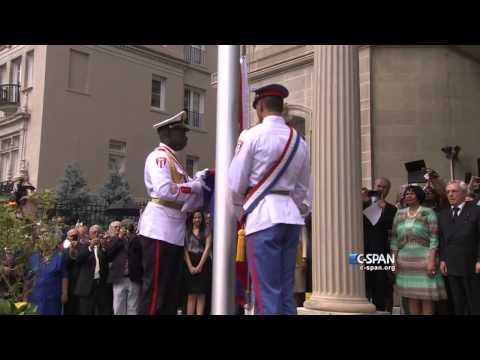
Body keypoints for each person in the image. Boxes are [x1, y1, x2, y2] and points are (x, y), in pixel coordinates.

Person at [228, 84, 310, 315]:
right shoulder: (299, 141)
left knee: (266, 294)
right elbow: (303, 188)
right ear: (281, 107)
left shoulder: (251, 136)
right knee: (286, 292)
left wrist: (238, 212)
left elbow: (235, 183)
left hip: (262, 217)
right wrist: (288, 206)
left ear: (260, 107)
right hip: (291, 217)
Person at [137, 110, 206, 315]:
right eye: (181, 132)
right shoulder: (159, 158)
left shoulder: (176, 162)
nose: (185, 137)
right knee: (155, 290)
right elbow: (164, 190)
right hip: (159, 229)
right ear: (167, 134)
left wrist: (198, 185)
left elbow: (183, 195)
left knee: (170, 292)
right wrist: (193, 187)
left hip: (173, 230)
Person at [390, 185, 447, 315]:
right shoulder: (399, 213)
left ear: (419, 196)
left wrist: (431, 261)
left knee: (426, 297)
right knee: (412, 296)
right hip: (404, 261)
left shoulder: (428, 212)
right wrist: (393, 261)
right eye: (406, 194)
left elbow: (434, 238)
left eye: (411, 193)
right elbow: (394, 239)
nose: (408, 196)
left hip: (425, 259)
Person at [438, 180, 480, 314]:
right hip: (451, 264)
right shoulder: (443, 214)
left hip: (471, 264)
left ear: (464, 193)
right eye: (448, 192)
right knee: (457, 303)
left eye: (454, 191)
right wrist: (443, 259)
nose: (450, 194)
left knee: (474, 302)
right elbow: (442, 239)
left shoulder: (476, 211)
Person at [361, 177, 397, 312]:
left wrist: (383, 207)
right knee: (361, 287)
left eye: (383, 187)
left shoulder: (392, 209)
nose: (379, 189)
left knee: (380, 288)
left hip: (381, 253)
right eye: (378, 186)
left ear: (388, 190)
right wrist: (362, 201)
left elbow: (391, 227)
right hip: (359, 252)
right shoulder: (361, 203)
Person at [106, 219, 143, 315]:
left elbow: (141, 254)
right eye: (124, 227)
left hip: (133, 277)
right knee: (118, 306)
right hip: (119, 277)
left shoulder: (136, 240)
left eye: (128, 228)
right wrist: (119, 237)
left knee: (133, 307)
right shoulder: (115, 239)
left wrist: (133, 236)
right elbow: (109, 255)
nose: (126, 230)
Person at [74, 225, 111, 315]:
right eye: (94, 232)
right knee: (86, 311)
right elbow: (79, 259)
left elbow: (109, 260)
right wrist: (90, 247)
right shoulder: (83, 246)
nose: (96, 234)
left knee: (103, 310)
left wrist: (104, 247)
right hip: (87, 286)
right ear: (89, 235)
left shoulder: (104, 247)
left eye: (98, 232)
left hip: (101, 285)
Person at [183, 211, 212, 315]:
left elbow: (208, 247)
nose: (197, 220)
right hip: (190, 261)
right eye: (195, 218)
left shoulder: (206, 231)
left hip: (203, 262)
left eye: (199, 217)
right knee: (191, 294)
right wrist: (190, 266)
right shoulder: (187, 231)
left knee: (201, 294)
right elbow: (185, 249)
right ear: (191, 219)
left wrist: (200, 265)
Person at [26, 246, 69, 315]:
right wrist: (25, 295)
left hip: (52, 297)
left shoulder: (59, 257)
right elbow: (28, 278)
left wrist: (65, 292)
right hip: (36, 295)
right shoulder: (33, 257)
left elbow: (64, 276)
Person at [63, 228, 82, 315]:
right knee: (69, 308)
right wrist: (71, 249)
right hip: (69, 282)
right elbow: (65, 263)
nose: (74, 237)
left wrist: (78, 248)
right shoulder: (64, 247)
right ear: (67, 237)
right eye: (72, 236)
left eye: (76, 236)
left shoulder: (83, 246)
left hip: (81, 282)